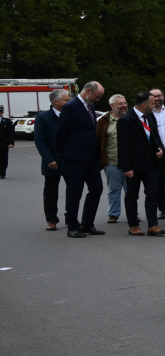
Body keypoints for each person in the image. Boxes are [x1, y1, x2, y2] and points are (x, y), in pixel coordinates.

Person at [55, 80, 107, 238]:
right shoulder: (71, 107)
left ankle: (87, 224)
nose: (98, 100)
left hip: (91, 157)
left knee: (96, 188)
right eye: (97, 96)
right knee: (74, 192)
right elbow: (61, 132)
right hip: (75, 157)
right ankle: (72, 225)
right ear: (88, 91)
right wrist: (61, 155)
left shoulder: (90, 106)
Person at [118, 90, 165, 237]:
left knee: (152, 193)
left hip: (151, 163)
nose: (154, 105)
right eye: (152, 103)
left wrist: (160, 148)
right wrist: (126, 167)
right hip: (133, 165)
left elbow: (155, 136)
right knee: (132, 195)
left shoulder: (150, 117)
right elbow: (123, 145)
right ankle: (133, 225)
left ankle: (153, 225)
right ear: (144, 104)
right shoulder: (126, 120)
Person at [35, 88, 69, 230]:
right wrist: (49, 159)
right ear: (56, 101)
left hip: (70, 159)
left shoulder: (70, 115)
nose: (69, 102)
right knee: (51, 192)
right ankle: (51, 219)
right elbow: (40, 141)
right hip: (52, 161)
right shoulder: (43, 118)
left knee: (73, 190)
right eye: (66, 100)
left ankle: (70, 217)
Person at [95, 94, 128, 222]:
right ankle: (113, 214)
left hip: (130, 163)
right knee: (114, 189)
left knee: (130, 191)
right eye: (120, 104)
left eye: (125, 103)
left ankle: (132, 214)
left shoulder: (131, 119)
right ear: (112, 106)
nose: (124, 106)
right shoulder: (103, 121)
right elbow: (97, 140)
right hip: (111, 161)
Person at [150, 89, 165, 218]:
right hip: (157, 153)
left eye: (159, 96)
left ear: (163, 97)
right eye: (153, 96)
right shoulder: (148, 113)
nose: (157, 98)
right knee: (158, 183)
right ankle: (163, 209)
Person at [0, 105, 13, 178]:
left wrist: (11, 143)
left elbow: (11, 133)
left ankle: (2, 173)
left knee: (3, 159)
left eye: (1, 112)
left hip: (4, 143)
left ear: (2, 113)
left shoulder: (8, 121)